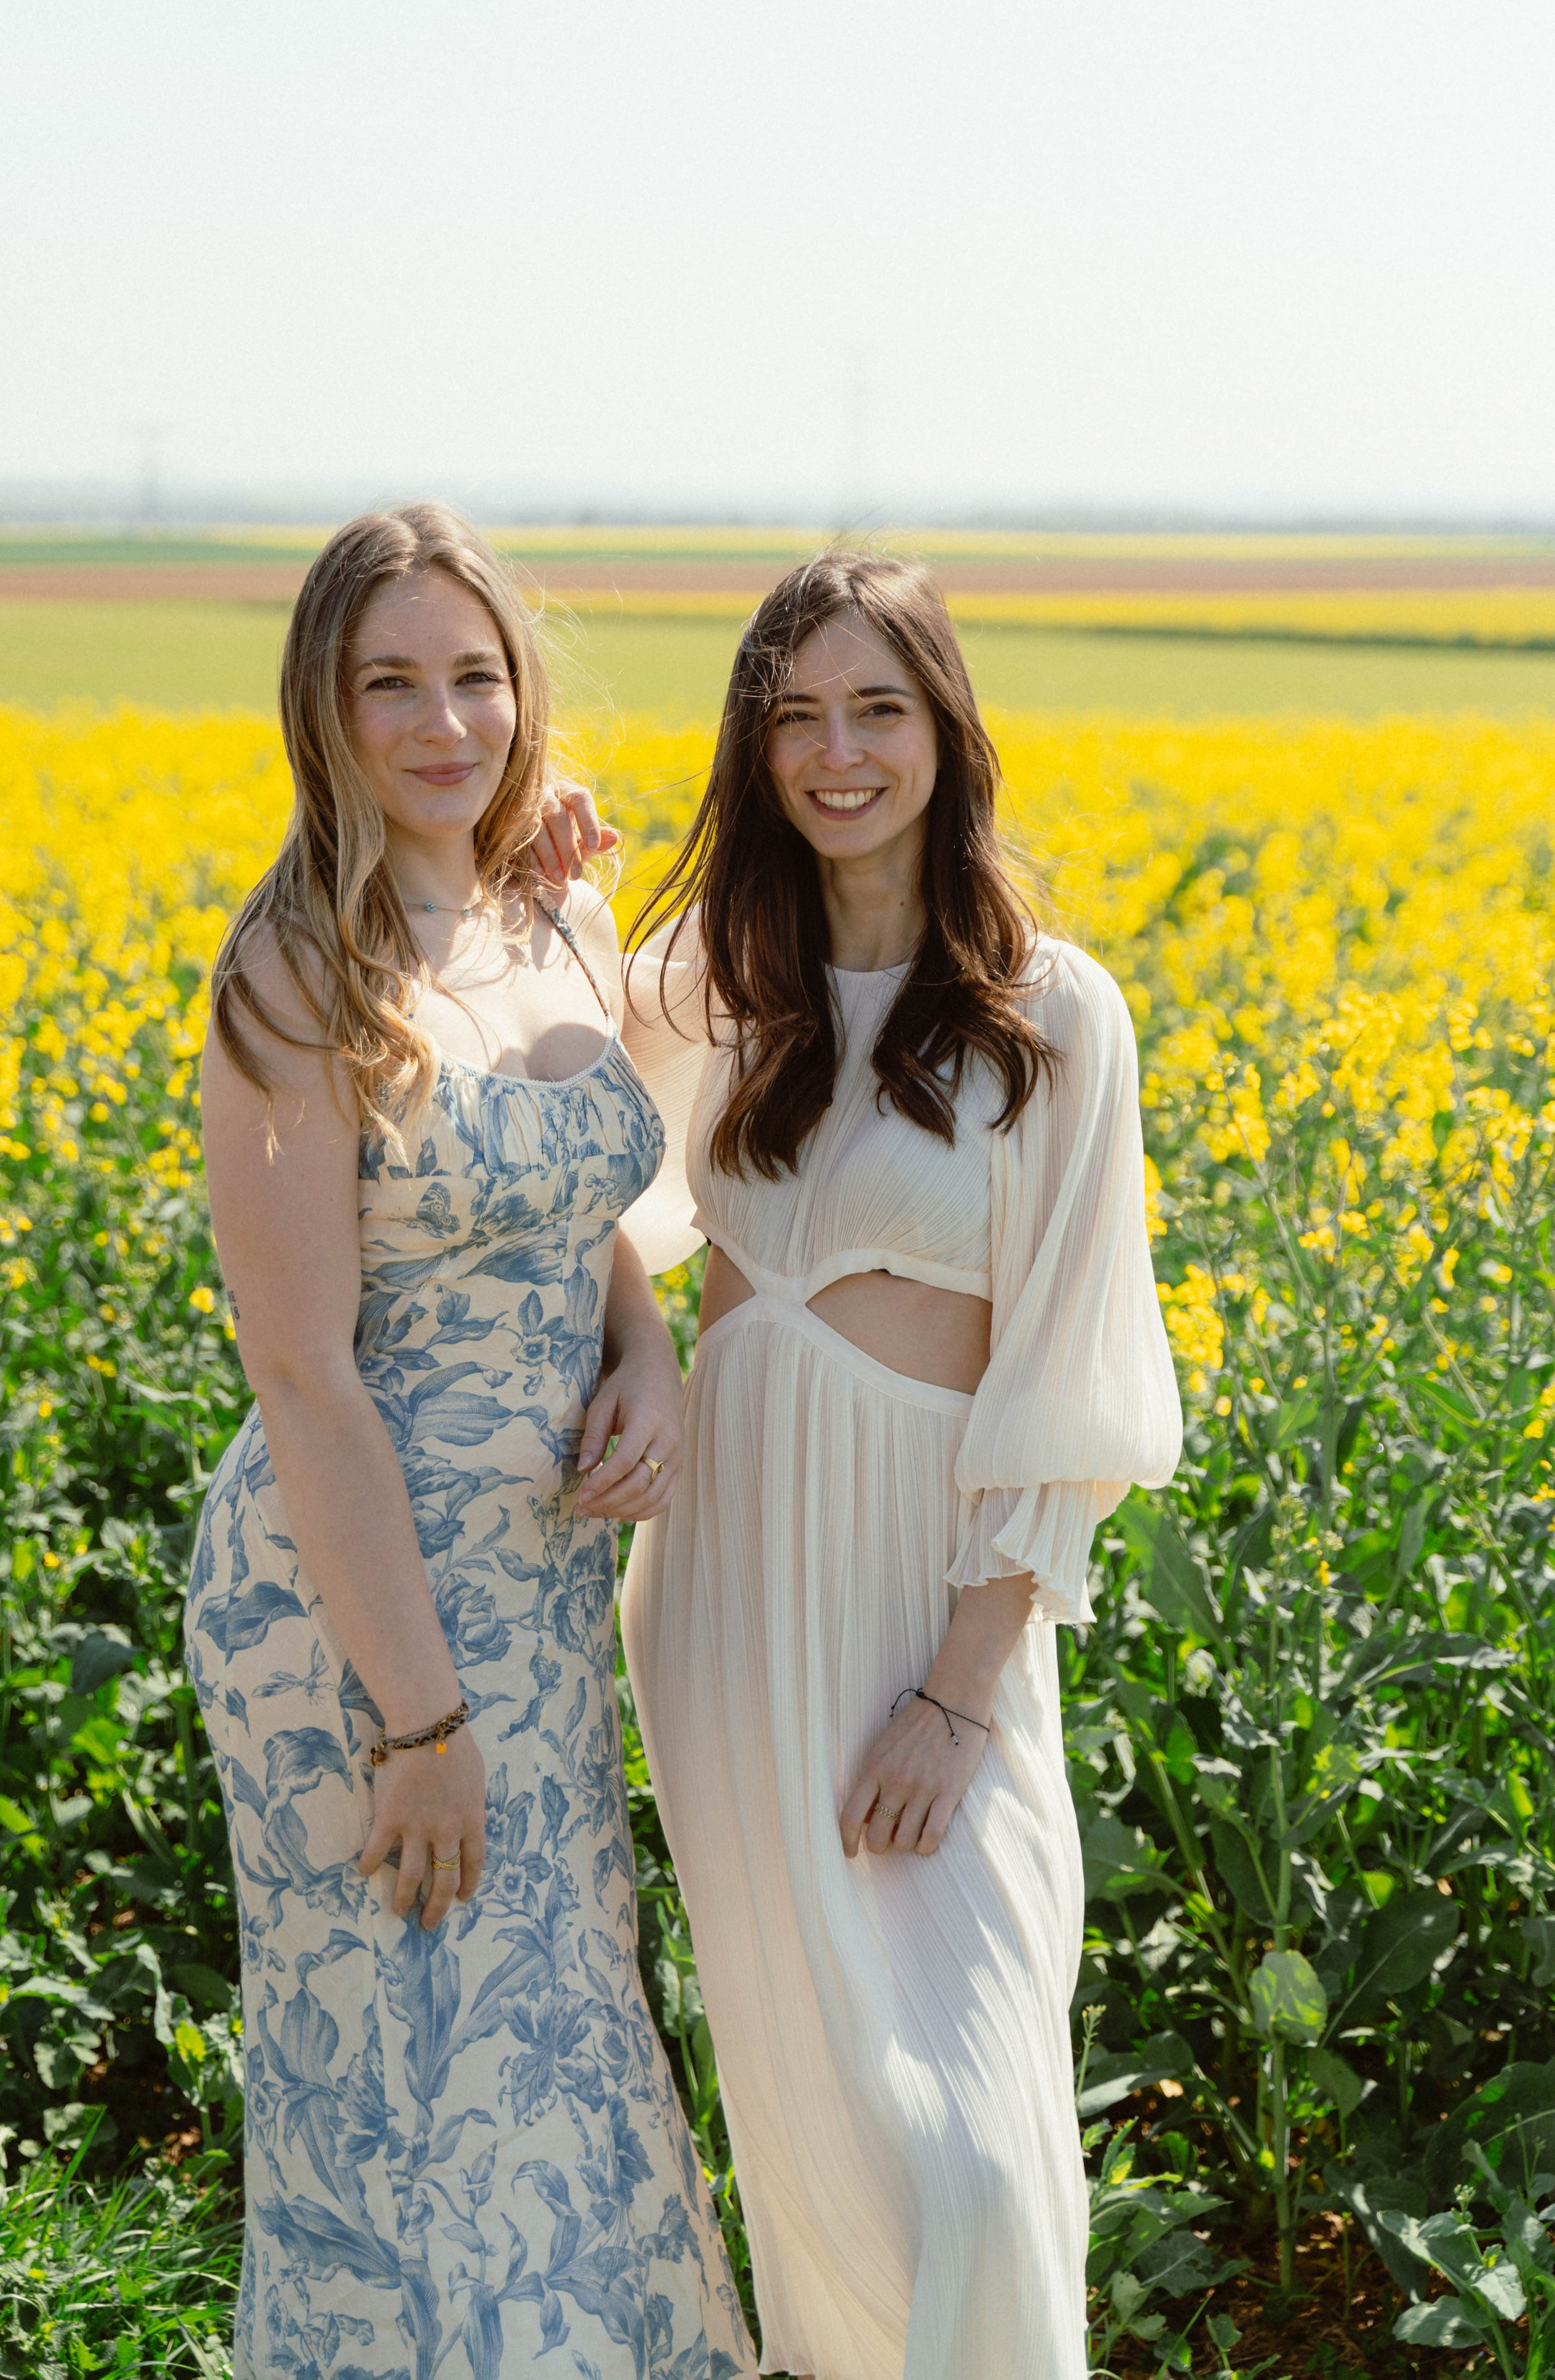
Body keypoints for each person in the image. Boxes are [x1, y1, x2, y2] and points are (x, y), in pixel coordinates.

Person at [183, 503, 755, 2380]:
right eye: (392, 685)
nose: (445, 724)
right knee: (411, 2087)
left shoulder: (556, 910)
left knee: (559, 2042)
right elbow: (304, 1377)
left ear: (524, 692)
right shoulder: (290, 975)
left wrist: (647, 1362)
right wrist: (420, 1722)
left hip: (537, 1590)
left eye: (477, 676)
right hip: (360, 1611)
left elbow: (585, 1217)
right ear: (323, 712)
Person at [618, 551, 1184, 2380]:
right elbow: (561, 1170)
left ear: (946, 729)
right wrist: (540, 883)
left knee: (973, 2151)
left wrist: (957, 1695)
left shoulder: (1050, 1011)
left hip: (926, 1609)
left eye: (877, 709)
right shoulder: (711, 984)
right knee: (812, 2125)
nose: (836, 753)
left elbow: (1071, 1386)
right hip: (720, 1598)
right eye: (795, 717)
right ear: (753, 747)